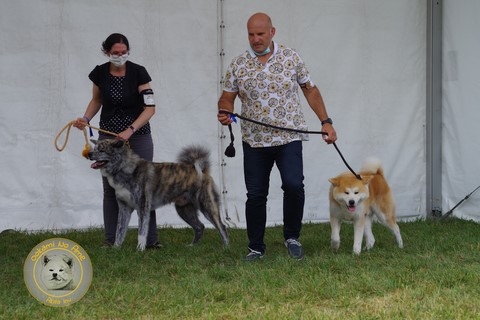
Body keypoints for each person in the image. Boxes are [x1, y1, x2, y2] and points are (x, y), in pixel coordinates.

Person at [217, 13, 337, 261]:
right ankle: (256, 247)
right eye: (251, 34)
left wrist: (326, 122)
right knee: (256, 194)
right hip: (255, 141)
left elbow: (310, 90)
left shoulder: (291, 57)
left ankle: (292, 236)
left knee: (294, 185)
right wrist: (225, 111)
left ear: (272, 32)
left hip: (289, 137)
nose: (255, 39)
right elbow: (226, 97)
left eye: (260, 34)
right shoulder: (238, 64)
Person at [74, 33, 160, 249]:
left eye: (124, 53)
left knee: (143, 187)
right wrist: (85, 119)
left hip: (137, 137)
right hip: (108, 138)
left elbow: (150, 108)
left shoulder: (139, 72)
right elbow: (97, 100)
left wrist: (130, 130)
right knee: (110, 189)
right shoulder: (100, 73)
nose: (120, 56)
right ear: (107, 53)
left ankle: (150, 241)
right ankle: (111, 240)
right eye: (115, 53)